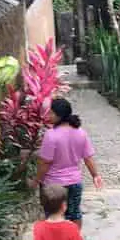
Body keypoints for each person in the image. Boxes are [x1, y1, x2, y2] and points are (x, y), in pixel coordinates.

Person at [29, 97, 102, 226]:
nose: (48, 115)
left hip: (53, 186)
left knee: (53, 216)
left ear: (59, 116)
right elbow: (88, 158)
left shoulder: (51, 135)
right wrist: (95, 175)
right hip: (75, 182)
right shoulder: (81, 133)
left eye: (51, 112)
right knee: (75, 214)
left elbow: (45, 163)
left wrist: (37, 180)